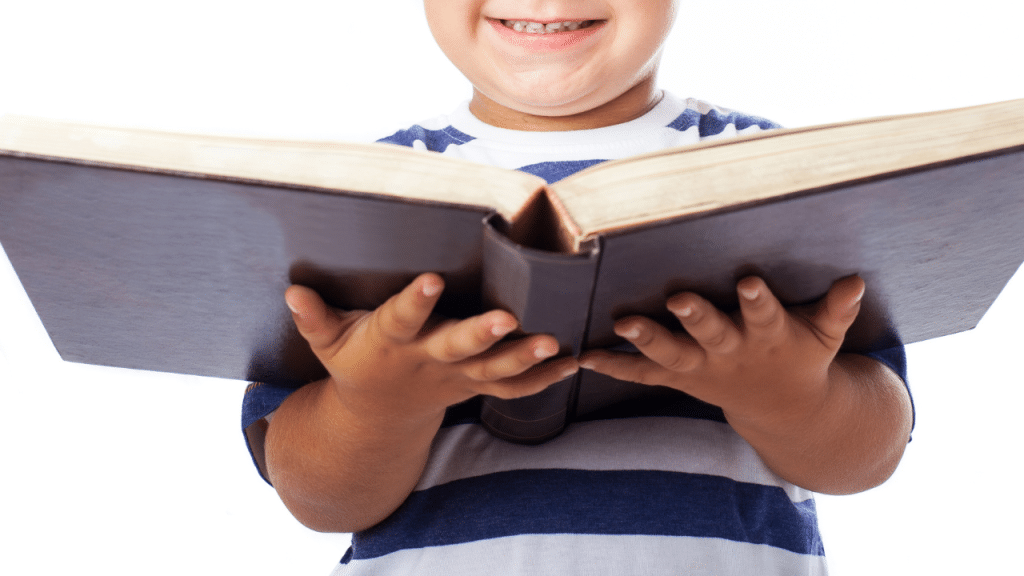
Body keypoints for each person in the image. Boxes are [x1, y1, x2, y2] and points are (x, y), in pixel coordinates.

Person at [241, 1, 915, 573]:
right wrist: (378, 403)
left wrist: (788, 396)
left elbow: (867, 455)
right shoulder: (353, 197)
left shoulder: (781, 174)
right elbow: (318, 500)